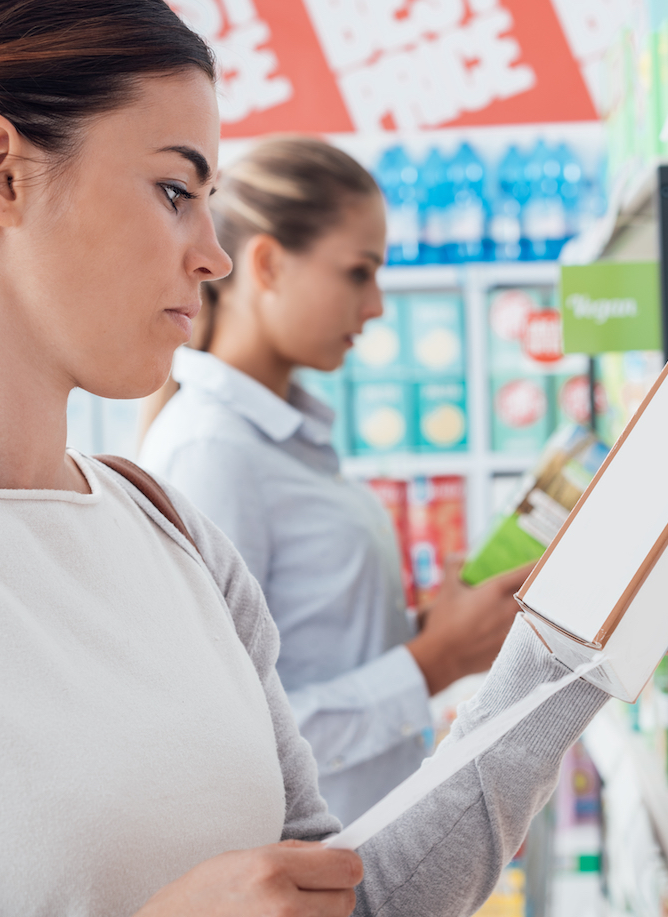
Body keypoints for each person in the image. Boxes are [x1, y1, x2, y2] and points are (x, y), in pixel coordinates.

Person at [0, 2, 668, 916]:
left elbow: (346, 891)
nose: (215, 253)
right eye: (177, 190)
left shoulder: (173, 536)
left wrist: (573, 654)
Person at [140, 136, 529, 822]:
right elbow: (228, 737)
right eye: (359, 272)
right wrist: (432, 659)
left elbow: (302, 650)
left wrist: (427, 627)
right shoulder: (212, 452)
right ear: (266, 264)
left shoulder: (281, 439)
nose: (376, 305)